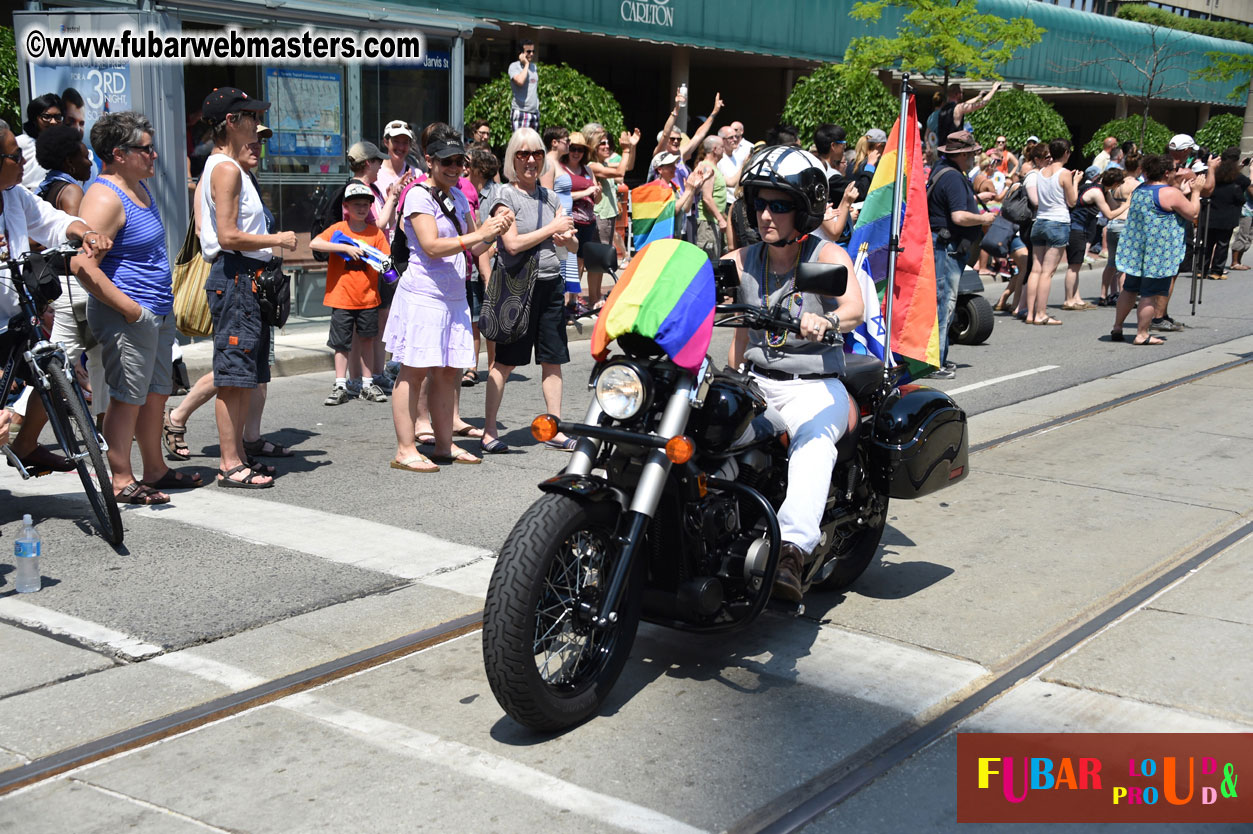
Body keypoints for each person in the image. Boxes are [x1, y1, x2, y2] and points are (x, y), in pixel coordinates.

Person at [722, 146, 865, 600]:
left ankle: (791, 554)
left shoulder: (827, 256)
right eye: (759, 204)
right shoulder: (742, 260)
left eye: (778, 205)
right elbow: (737, 332)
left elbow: (855, 309)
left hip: (815, 386)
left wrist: (828, 322)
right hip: (759, 382)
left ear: (802, 210)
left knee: (813, 444)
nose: (765, 215)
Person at [70, 111, 196, 505]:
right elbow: (80, 264)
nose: (154, 156)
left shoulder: (139, 187)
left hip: (155, 312)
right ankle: (121, 478)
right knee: (127, 397)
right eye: (146, 149)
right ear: (119, 153)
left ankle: (154, 468)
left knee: (155, 393)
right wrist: (129, 308)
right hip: (130, 314)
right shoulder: (105, 197)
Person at [384, 130, 512, 473]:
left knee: (447, 374)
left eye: (460, 162)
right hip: (424, 295)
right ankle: (406, 448)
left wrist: (498, 227)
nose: (455, 168)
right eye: (447, 161)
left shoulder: (456, 195)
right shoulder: (417, 197)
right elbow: (431, 246)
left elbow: (476, 246)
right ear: (430, 161)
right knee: (412, 372)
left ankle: (444, 445)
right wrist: (481, 233)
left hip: (453, 296)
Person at [0, 118, 111, 474]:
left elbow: (53, 221)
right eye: (15, 156)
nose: (23, 162)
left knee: (54, 368)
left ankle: (28, 445)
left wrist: (87, 232)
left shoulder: (14, 196)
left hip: (17, 314)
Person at [199, 88, 296, 489]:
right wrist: (276, 239)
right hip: (236, 275)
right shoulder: (225, 168)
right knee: (234, 376)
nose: (257, 124)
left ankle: (237, 456)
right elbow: (227, 235)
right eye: (250, 117)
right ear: (230, 122)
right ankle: (229, 463)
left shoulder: (223, 167)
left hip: (243, 277)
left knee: (244, 376)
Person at [480, 127, 578, 454]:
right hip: (517, 287)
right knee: (505, 363)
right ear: (513, 159)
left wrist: (567, 238)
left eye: (536, 153)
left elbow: (572, 242)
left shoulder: (550, 198)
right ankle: (489, 430)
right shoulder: (504, 197)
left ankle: (555, 427)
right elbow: (512, 244)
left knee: (553, 360)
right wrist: (553, 229)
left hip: (550, 285)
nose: (531, 160)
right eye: (523, 154)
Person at [36, 125, 107, 421]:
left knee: (65, 361)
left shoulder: (48, 185)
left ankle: (106, 422)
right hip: (74, 286)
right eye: (84, 156)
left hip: (57, 286)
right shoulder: (73, 191)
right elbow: (75, 239)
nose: (90, 162)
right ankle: (17, 421)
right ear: (69, 161)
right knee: (85, 361)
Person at [310, 182, 389, 405]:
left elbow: (386, 262)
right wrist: (344, 248)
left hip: (368, 298)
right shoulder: (338, 230)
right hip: (341, 297)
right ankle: (340, 384)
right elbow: (315, 243)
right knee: (340, 344)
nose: (362, 208)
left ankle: (367, 383)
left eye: (365, 204)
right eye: (357, 205)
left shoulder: (376, 233)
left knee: (367, 340)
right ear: (346, 206)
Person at [1111, 154, 1200, 345]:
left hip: (1136, 250)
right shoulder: (1169, 193)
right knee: (1149, 295)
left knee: (1129, 289)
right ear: (1166, 172)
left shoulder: (1140, 189)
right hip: (1158, 253)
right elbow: (1193, 212)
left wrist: (1180, 192)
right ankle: (1142, 334)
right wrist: (1196, 192)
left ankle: (1117, 326)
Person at [927, 131, 995, 379]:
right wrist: (984, 217)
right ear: (963, 154)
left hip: (943, 246)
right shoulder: (954, 178)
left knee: (942, 303)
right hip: (947, 248)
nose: (974, 158)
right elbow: (958, 217)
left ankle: (939, 357)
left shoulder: (942, 170)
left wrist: (977, 198)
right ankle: (935, 364)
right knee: (944, 304)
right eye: (973, 153)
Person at [1023, 139, 1081, 327]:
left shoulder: (1040, 172)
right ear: (1065, 152)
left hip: (1040, 221)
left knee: (1036, 269)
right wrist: (1076, 182)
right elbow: (1072, 202)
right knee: (1047, 272)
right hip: (1058, 222)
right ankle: (1041, 313)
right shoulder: (1064, 173)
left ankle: (1031, 313)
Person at [584, 123, 638, 309]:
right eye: (602, 144)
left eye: (608, 143)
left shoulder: (603, 163)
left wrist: (631, 147)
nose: (607, 146)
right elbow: (620, 171)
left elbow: (627, 166)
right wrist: (625, 150)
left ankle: (596, 297)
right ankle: (593, 299)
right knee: (596, 260)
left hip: (607, 215)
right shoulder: (592, 166)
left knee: (601, 258)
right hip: (599, 216)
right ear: (593, 146)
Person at [1060, 165, 1127, 309]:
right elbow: (1109, 214)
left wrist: (1123, 206)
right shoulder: (1096, 192)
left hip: (1082, 229)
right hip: (1076, 228)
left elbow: (1114, 207)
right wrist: (1127, 204)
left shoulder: (1103, 190)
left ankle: (1077, 298)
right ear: (1115, 184)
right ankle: (1068, 300)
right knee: (1073, 266)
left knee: (1077, 265)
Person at [1199, 148, 1251, 280]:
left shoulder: (1213, 174)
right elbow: (1244, 189)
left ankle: (1201, 269)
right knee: (1222, 244)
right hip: (1227, 216)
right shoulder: (1237, 182)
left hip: (1210, 214)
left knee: (1207, 243)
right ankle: (1217, 271)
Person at [17, 94, 65, 192]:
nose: (53, 122)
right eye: (46, 117)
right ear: (34, 119)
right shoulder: (22, 142)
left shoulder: (64, 148)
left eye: (58, 117)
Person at [693, 135, 730, 260]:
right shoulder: (707, 168)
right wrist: (721, 219)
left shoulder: (713, 168)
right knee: (708, 262)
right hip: (707, 224)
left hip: (711, 222)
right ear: (715, 149)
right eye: (722, 147)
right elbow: (707, 198)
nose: (724, 150)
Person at [935, 83, 1000, 145]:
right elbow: (982, 103)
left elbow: (965, 104)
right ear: (957, 94)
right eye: (962, 93)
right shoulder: (959, 108)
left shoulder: (943, 109)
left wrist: (978, 96)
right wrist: (994, 89)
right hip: (954, 150)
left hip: (942, 149)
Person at [509, 40, 540, 131]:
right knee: (520, 144)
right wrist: (526, 64)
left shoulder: (534, 67)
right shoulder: (514, 66)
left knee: (533, 144)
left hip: (534, 112)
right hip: (521, 112)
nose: (531, 54)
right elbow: (520, 81)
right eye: (528, 52)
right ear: (521, 53)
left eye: (533, 51)